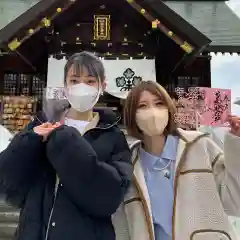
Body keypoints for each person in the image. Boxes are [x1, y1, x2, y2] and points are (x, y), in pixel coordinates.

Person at [0, 51, 133, 240]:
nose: (82, 87)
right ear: (65, 86)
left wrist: (65, 140)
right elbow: (7, 182)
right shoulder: (40, 124)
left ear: (102, 86)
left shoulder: (113, 135)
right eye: (74, 80)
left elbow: (110, 197)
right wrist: (29, 141)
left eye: (90, 81)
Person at [120, 80, 240, 240]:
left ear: (169, 108)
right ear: (131, 115)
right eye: (142, 106)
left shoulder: (199, 146)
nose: (153, 112)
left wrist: (236, 144)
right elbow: (123, 225)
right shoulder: (129, 164)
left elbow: (235, 201)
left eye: (159, 103)